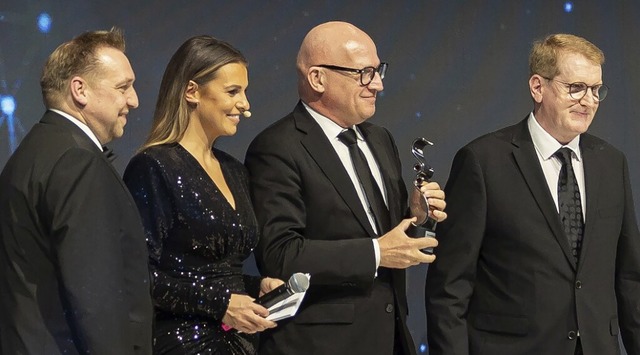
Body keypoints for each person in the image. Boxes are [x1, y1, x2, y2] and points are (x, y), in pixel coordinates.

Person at [425, 33, 640, 355]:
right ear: (538, 87)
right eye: (576, 88)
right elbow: (449, 288)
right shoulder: (483, 161)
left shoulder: (611, 162)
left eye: (596, 90)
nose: (589, 101)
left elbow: (629, 278)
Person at [245, 21, 446, 355]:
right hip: (321, 345)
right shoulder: (277, 147)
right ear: (317, 78)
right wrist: (376, 253)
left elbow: (386, 235)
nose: (378, 84)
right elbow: (280, 254)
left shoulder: (379, 139)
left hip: (390, 338)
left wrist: (415, 214)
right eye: (364, 73)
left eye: (379, 70)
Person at [123, 35, 284, 355]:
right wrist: (220, 303)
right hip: (183, 343)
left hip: (240, 343)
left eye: (245, 92)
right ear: (192, 91)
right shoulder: (153, 166)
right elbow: (137, 275)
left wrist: (256, 287)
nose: (246, 104)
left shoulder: (234, 170)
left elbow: (220, 271)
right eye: (233, 91)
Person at [0, 28, 152, 354]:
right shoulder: (77, 161)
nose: (134, 100)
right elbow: (96, 298)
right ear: (79, 90)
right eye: (123, 87)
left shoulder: (33, 153)